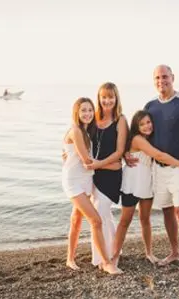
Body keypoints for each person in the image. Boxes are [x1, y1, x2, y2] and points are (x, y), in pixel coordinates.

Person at [127, 65, 179, 281]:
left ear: (173, 78)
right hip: (158, 169)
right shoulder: (150, 105)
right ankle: (175, 252)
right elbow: (138, 133)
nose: (161, 81)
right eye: (157, 77)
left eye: (165, 77)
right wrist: (126, 154)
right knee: (168, 212)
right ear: (154, 81)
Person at [112, 110, 179, 267]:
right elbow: (159, 155)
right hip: (133, 182)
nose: (146, 126)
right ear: (136, 126)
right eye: (141, 124)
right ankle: (114, 257)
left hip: (147, 182)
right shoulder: (137, 139)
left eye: (148, 122)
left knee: (145, 219)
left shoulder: (150, 138)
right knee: (125, 220)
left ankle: (149, 252)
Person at [62, 97, 120, 274]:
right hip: (74, 182)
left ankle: (70, 258)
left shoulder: (88, 131)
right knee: (96, 220)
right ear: (76, 113)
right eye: (83, 110)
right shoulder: (76, 131)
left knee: (76, 219)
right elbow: (87, 161)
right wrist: (114, 164)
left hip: (86, 180)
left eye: (89, 110)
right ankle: (106, 262)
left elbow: (71, 154)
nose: (87, 114)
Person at [85, 82, 128, 270]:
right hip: (93, 174)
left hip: (110, 174)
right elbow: (76, 134)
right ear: (99, 98)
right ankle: (112, 251)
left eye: (111, 97)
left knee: (102, 210)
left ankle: (103, 257)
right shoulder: (92, 118)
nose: (107, 100)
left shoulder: (121, 120)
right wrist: (66, 151)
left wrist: (98, 164)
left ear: (116, 98)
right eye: (104, 97)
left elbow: (119, 152)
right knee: (103, 214)